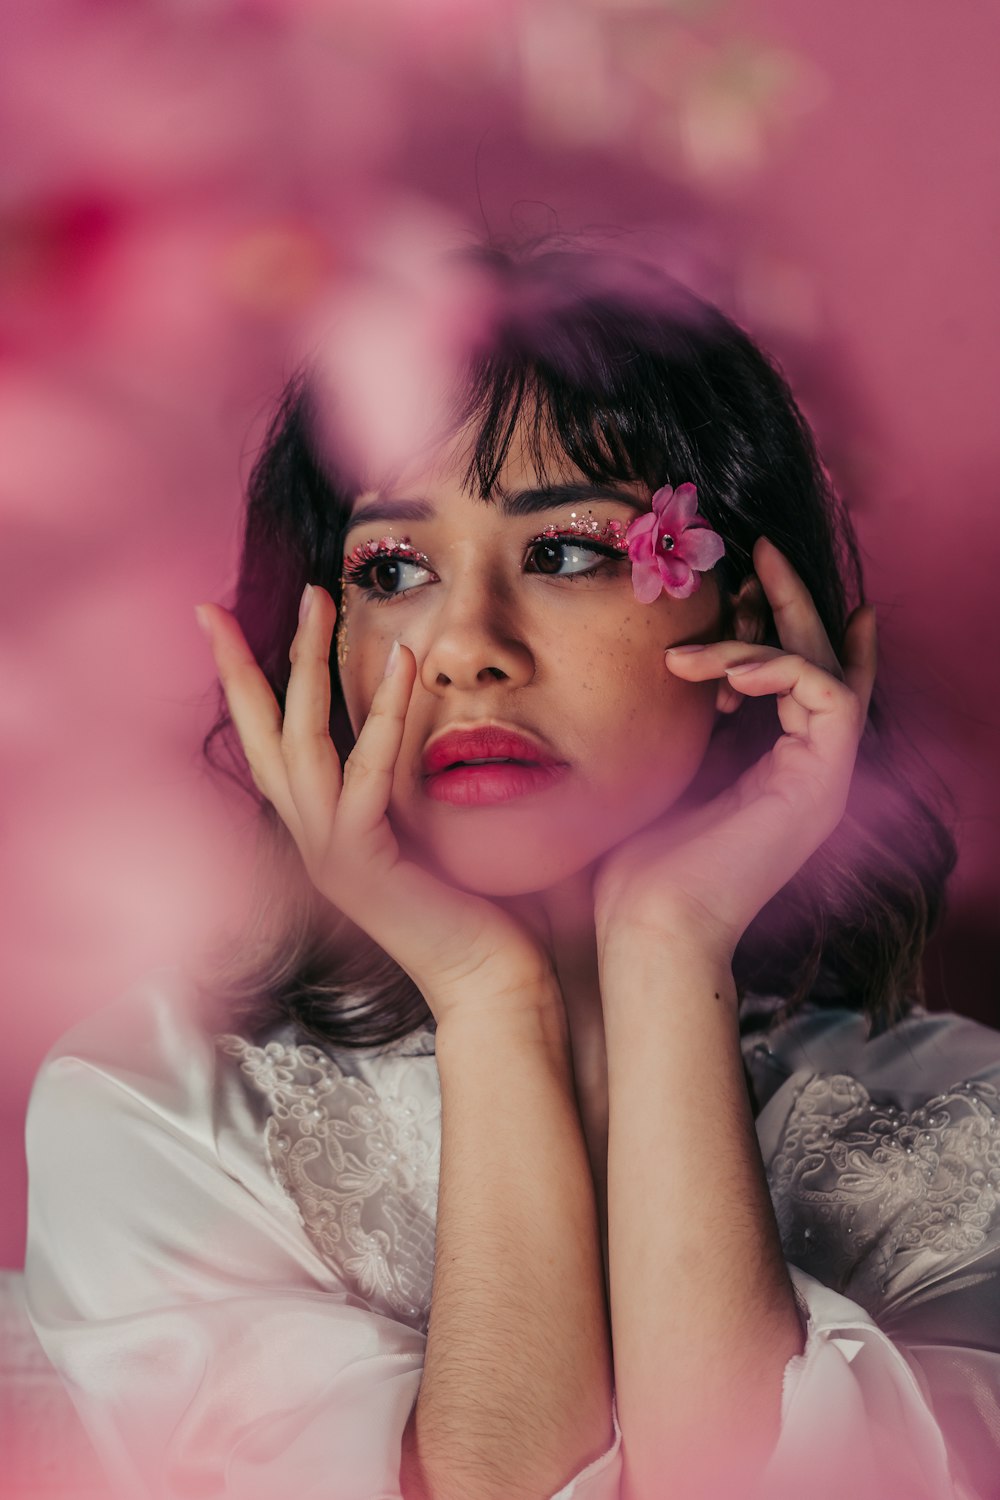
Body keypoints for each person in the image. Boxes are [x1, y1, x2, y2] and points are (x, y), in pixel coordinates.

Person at [24, 243, 1000, 1500]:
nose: (467, 650)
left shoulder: (963, 1127)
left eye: (571, 553)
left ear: (744, 621)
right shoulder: (158, 1108)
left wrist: (666, 950)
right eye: (392, 572)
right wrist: (490, 1002)